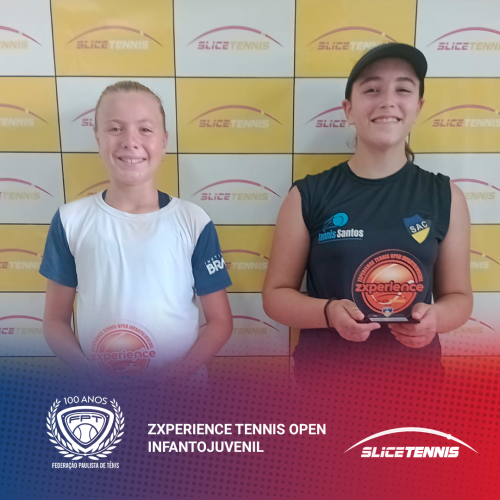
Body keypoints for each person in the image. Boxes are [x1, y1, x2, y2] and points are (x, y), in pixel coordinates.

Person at [262, 44, 472, 388]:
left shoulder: (446, 196)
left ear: (418, 107)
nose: (387, 101)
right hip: (325, 387)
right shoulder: (308, 194)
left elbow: (459, 298)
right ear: (349, 110)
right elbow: (275, 296)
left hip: (417, 387)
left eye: (403, 89)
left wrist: (436, 318)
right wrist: (328, 313)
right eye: (372, 89)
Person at [40, 81, 233, 387]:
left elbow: (220, 322)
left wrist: (177, 376)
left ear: (164, 140)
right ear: (98, 138)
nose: (130, 141)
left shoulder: (193, 220)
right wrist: (89, 374)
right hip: (103, 395)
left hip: (181, 397)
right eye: (115, 129)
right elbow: (55, 321)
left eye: (145, 129)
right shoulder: (69, 220)